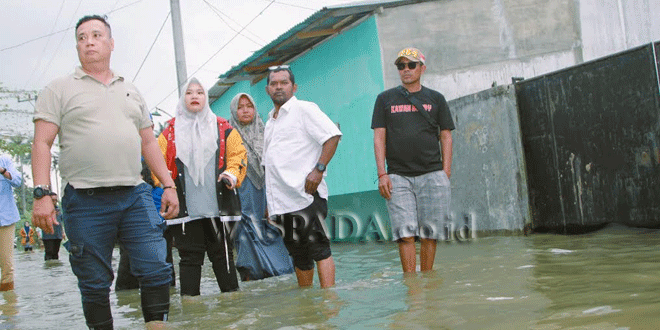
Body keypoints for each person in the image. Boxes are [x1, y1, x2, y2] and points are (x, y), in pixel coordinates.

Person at [31, 15, 179, 329]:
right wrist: (42, 192)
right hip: (85, 200)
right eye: (82, 37)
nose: (89, 42)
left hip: (134, 195)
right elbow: (42, 142)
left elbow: (149, 141)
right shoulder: (58, 89)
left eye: (97, 35)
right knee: (94, 281)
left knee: (156, 268)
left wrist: (168, 184)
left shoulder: (131, 90)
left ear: (110, 44)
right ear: (77, 46)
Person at [158, 78, 247, 296]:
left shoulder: (224, 128)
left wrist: (231, 174)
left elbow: (237, 156)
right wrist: (165, 183)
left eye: (200, 92)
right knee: (189, 258)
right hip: (185, 210)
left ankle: (232, 309)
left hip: (219, 207)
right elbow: (156, 162)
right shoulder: (169, 131)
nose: (195, 96)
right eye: (189, 93)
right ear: (182, 99)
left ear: (206, 98)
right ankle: (191, 312)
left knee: (223, 255)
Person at [371, 47, 455, 274]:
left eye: (411, 65)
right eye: (401, 66)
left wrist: (445, 172)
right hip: (398, 176)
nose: (406, 70)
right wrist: (382, 174)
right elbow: (379, 138)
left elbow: (445, 135)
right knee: (405, 235)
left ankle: (426, 281)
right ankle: (412, 287)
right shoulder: (384, 99)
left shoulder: (436, 99)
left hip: (433, 174)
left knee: (430, 234)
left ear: (422, 68)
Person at [263, 66, 342, 288]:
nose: (279, 86)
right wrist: (271, 203)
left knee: (320, 250)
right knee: (299, 255)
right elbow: (269, 165)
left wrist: (318, 170)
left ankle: (329, 303)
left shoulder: (304, 109)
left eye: (284, 82)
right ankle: (307, 301)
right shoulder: (270, 122)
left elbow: (332, 136)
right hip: (282, 203)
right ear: (268, 89)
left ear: (294, 87)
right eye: (274, 83)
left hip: (306, 195)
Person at [229, 93, 294, 281]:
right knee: (244, 233)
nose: (245, 110)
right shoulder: (227, 134)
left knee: (268, 230)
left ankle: (279, 272)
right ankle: (251, 276)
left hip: (266, 191)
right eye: (240, 107)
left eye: (249, 106)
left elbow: (275, 165)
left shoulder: (266, 132)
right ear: (234, 110)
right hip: (239, 195)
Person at [115, 161, 176, 291]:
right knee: (128, 271)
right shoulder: (123, 195)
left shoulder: (159, 192)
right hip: (137, 234)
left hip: (157, 233)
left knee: (163, 266)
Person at [0, 154, 21, 291]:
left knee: (7, 264)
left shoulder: (5, 160)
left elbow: (18, 181)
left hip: (5, 218)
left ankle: (9, 307)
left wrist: (2, 171)